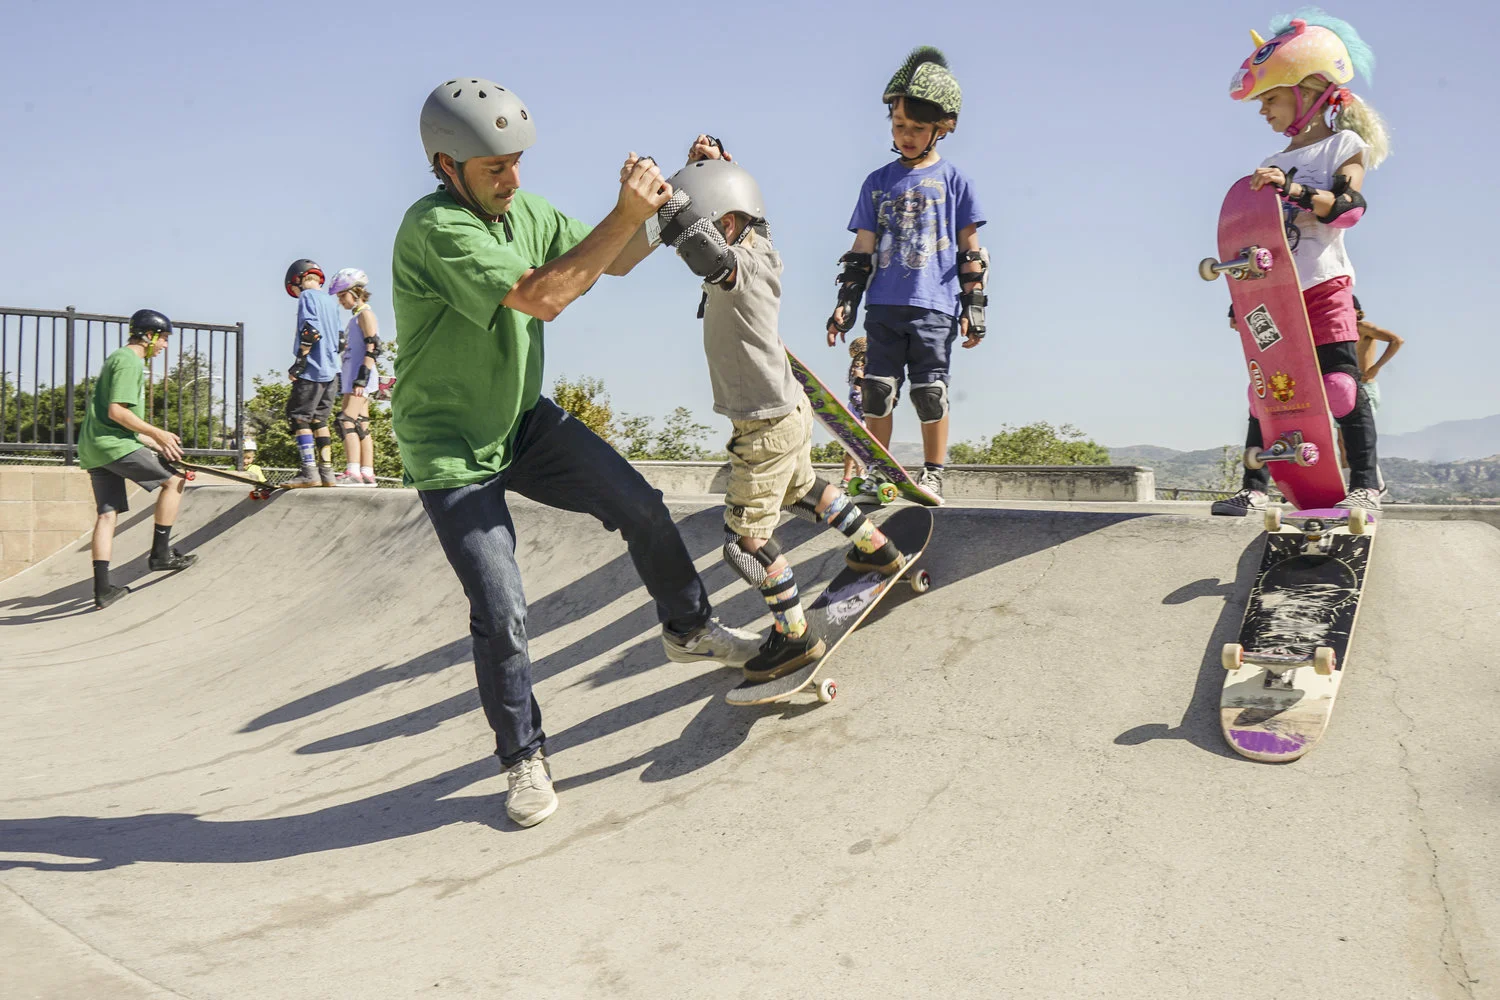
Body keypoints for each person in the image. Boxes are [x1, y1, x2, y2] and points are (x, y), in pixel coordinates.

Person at [390, 78, 760, 828]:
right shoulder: (434, 229)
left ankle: (689, 629)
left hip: (521, 420)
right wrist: (625, 212)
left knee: (641, 505)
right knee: (503, 608)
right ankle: (522, 757)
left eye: (516, 162)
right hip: (450, 447)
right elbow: (545, 296)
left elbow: (612, 259)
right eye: (495, 168)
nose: (512, 179)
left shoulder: (524, 211)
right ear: (446, 166)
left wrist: (676, 198)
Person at [654, 138, 907, 680]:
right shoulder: (764, 248)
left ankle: (794, 637)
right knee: (803, 490)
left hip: (764, 425)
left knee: (745, 544)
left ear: (726, 225)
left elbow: (702, 247)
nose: (681, 252)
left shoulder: (738, 265)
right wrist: (716, 165)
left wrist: (663, 198)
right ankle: (876, 548)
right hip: (786, 412)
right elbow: (742, 212)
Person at [1212, 11, 1391, 516]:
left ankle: (1366, 484)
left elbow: (1348, 208)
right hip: (1274, 294)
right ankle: (1254, 486)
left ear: (1307, 91)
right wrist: (1241, 294)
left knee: (1340, 387)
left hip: (1325, 286)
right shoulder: (1273, 160)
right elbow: (1255, 239)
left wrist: (1291, 189)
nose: (1263, 110)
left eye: (1270, 98)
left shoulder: (1343, 146)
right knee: (1263, 390)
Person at [826, 47, 990, 502]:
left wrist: (974, 309)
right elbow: (861, 250)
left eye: (917, 128)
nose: (907, 136)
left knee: (929, 392)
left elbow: (971, 251)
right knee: (876, 391)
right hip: (883, 305)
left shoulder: (955, 182)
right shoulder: (877, 182)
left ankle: (932, 473)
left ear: (942, 127)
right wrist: (844, 305)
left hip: (934, 306)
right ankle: (878, 473)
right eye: (899, 126)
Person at [76, 309, 197, 609]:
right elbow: (117, 412)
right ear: (149, 336)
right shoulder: (130, 361)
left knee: (107, 514)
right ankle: (161, 554)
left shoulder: (117, 358)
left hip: (95, 447)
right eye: (164, 338)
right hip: (113, 446)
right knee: (174, 482)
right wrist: (158, 433)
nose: (165, 345)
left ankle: (103, 589)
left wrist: (153, 443)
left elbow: (114, 421)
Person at [283, 258, 343, 487]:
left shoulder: (307, 297)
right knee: (320, 420)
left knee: (299, 417)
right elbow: (341, 339)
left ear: (297, 281)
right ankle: (327, 474)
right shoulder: (331, 301)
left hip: (312, 371)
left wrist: (299, 363)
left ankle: (309, 472)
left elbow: (310, 331)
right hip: (332, 371)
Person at [328, 267, 382, 486]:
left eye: (343, 296)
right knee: (362, 424)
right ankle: (367, 472)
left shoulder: (365, 314)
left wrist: (362, 378)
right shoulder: (357, 317)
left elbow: (373, 347)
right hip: (353, 378)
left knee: (346, 421)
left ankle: (353, 472)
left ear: (356, 292)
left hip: (360, 379)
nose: (341, 301)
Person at [841, 336, 868, 490]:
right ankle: (859, 475)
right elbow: (856, 392)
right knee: (859, 445)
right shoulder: (859, 369)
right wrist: (861, 409)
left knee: (853, 446)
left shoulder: (855, 368)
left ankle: (849, 477)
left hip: (854, 409)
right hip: (859, 409)